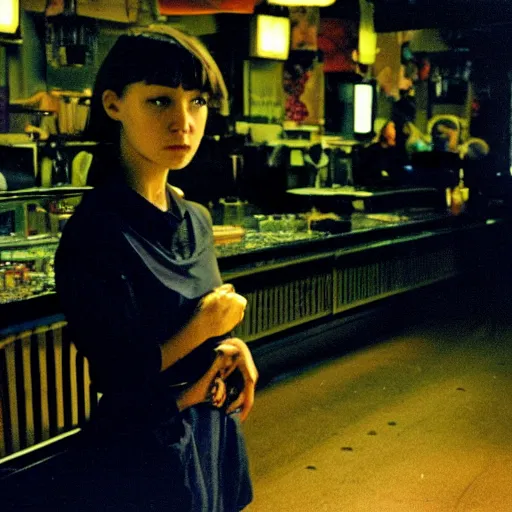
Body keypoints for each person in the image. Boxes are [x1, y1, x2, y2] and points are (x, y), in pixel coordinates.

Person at [53, 24, 257, 511]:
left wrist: (230, 347)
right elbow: (119, 372)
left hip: (209, 429)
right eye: (160, 101)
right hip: (145, 451)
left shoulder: (195, 219)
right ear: (113, 104)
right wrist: (206, 325)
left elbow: (197, 317)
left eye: (197, 102)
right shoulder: (97, 231)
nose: (183, 122)